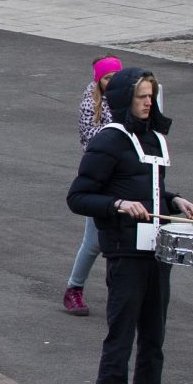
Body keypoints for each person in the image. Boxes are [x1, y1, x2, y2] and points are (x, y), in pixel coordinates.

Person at [67, 67, 193, 384]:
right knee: (121, 334)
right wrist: (118, 204)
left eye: (151, 95)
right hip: (125, 251)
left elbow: (150, 188)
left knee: (154, 336)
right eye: (142, 95)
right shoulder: (109, 140)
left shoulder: (155, 139)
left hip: (156, 249)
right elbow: (78, 197)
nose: (148, 102)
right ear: (125, 98)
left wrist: (174, 198)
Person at [62, 55, 124, 316]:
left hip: (126, 175)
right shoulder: (91, 104)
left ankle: (122, 293)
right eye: (106, 78)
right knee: (94, 241)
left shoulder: (130, 99)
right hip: (99, 176)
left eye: (115, 77)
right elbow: (93, 142)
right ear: (98, 81)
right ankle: (74, 289)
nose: (111, 82)